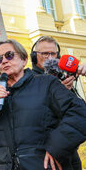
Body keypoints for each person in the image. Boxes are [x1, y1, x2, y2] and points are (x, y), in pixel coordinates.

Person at [0, 39, 86, 170]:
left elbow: (80, 113)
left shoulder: (46, 83)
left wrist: (57, 147)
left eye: (9, 55)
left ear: (24, 60)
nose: (4, 60)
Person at [30, 36, 84, 169]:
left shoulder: (64, 74)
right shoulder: (29, 78)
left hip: (69, 147)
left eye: (52, 53)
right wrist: (57, 92)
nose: (49, 57)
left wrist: (67, 91)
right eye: (44, 53)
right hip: (45, 151)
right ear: (34, 56)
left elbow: (76, 111)